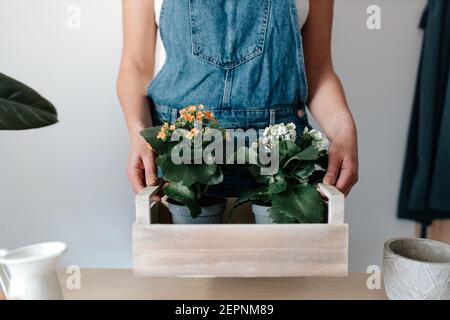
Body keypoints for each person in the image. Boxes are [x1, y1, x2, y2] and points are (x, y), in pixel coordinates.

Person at [118, 0, 358, 197]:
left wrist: (343, 129)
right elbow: (135, 67)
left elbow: (318, 71)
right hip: (181, 158)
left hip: (281, 162)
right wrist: (139, 133)